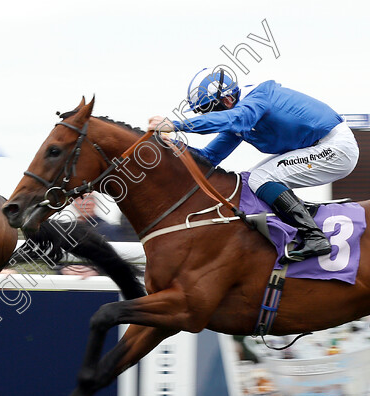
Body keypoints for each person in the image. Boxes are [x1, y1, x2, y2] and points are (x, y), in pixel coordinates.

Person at [148, 69, 359, 262]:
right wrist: (174, 145)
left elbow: (232, 118)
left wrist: (177, 125)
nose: (208, 115)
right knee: (250, 180)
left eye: (209, 109)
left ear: (228, 99)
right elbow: (209, 158)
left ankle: (314, 237)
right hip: (318, 147)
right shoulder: (239, 119)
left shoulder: (255, 101)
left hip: (335, 146)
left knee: (260, 178)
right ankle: (295, 225)